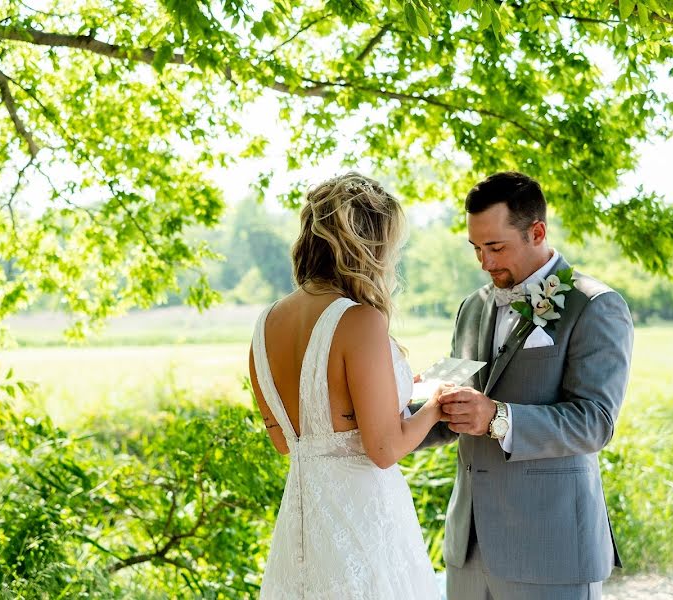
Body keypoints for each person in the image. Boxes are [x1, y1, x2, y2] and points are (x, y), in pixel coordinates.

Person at [413, 171, 634, 600]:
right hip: (470, 546)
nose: (485, 262)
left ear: (537, 232)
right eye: (476, 248)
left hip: (552, 548)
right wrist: (396, 408)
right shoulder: (472, 308)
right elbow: (456, 409)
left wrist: (496, 416)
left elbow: (595, 422)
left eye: (496, 247)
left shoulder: (595, 305)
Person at [248, 172, 443, 599]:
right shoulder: (359, 320)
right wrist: (435, 406)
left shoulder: (265, 324)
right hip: (363, 522)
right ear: (368, 246)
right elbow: (384, 449)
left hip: (301, 522)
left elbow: (287, 441)